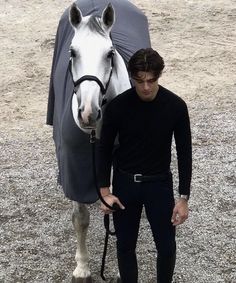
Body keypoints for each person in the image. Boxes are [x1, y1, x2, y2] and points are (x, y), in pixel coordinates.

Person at [97, 48, 192, 283]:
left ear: (159, 75)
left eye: (151, 80)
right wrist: (104, 192)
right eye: (140, 81)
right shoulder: (117, 107)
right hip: (125, 183)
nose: (146, 87)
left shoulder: (176, 107)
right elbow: (104, 149)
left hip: (159, 184)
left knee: (167, 247)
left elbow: (184, 152)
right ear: (132, 77)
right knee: (125, 246)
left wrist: (183, 197)